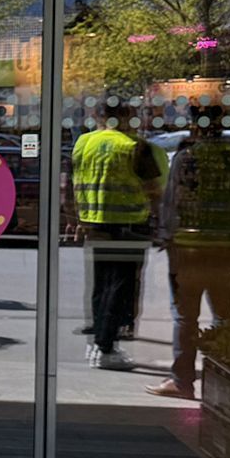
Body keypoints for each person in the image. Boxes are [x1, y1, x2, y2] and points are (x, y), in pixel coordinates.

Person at [146, 111, 230, 399]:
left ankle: (182, 380)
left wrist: (165, 236)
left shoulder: (187, 158)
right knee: (224, 312)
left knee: (186, 315)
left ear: (196, 129)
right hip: (226, 247)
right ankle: (229, 376)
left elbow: (172, 202)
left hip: (189, 247)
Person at [68, 115, 161, 370]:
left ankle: (98, 341)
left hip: (94, 222)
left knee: (101, 284)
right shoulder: (133, 145)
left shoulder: (83, 143)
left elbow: (72, 184)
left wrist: (76, 219)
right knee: (120, 286)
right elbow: (153, 188)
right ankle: (105, 346)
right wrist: (160, 220)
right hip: (129, 224)